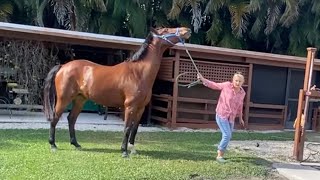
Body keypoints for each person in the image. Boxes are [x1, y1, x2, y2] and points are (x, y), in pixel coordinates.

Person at [197, 72, 246, 163]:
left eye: (239, 81)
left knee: (228, 136)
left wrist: (240, 118)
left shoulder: (242, 93)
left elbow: (240, 105)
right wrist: (203, 79)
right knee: (227, 135)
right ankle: (219, 155)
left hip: (231, 117)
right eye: (236, 80)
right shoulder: (227, 85)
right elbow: (214, 85)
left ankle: (221, 154)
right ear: (233, 80)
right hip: (221, 114)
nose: (237, 82)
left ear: (242, 82)